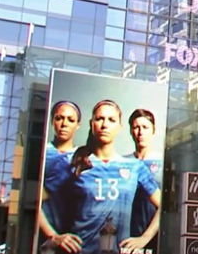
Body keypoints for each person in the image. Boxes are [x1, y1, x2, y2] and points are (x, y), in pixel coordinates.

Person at [47, 100, 162, 254]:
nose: (104, 125)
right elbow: (38, 201)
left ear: (120, 127)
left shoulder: (134, 166)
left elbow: (163, 205)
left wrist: (144, 238)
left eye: (111, 120)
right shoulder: (74, 161)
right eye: (100, 119)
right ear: (91, 123)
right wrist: (54, 236)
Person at [38, 101, 81, 249]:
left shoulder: (85, 158)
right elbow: (34, 200)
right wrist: (52, 235)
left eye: (71, 120)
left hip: (78, 239)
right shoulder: (42, 153)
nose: (64, 124)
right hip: (44, 239)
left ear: (78, 125)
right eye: (59, 118)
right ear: (52, 121)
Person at [126, 109, 163, 253]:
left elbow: (167, 206)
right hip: (127, 238)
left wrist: (146, 237)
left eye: (145, 127)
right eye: (136, 127)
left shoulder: (163, 163)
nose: (140, 132)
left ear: (153, 130)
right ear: (130, 131)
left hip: (154, 239)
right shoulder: (124, 162)